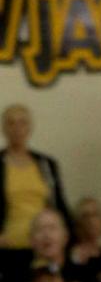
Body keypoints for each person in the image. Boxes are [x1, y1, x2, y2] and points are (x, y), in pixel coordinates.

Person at [0, 104, 68, 256]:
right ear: (3, 128)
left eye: (22, 122)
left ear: (30, 127)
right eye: (11, 123)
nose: (17, 128)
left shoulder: (46, 164)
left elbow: (60, 203)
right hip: (9, 246)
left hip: (45, 246)